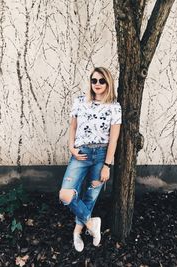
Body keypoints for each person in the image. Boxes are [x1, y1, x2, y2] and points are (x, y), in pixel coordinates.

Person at [59, 67, 121, 252]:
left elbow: (114, 139)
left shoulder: (114, 106)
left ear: (108, 82)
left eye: (102, 81)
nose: (97, 84)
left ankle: (77, 233)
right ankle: (91, 223)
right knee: (65, 195)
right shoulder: (80, 101)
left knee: (90, 196)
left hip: (101, 155)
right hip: (81, 153)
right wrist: (71, 147)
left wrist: (107, 165)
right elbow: (72, 127)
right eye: (94, 80)